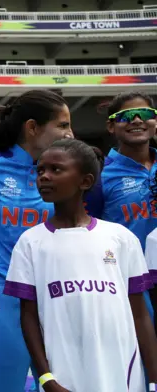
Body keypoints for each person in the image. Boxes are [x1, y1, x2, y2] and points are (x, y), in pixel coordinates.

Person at [5, 139, 157, 392]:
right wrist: (46, 378)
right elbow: (28, 317)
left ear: (85, 181)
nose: (44, 177)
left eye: (56, 170)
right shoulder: (30, 242)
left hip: (121, 374)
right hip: (63, 376)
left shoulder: (120, 238)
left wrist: (153, 379)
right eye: (40, 170)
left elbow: (140, 314)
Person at [0, 90, 73, 392]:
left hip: (51, 292)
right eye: (62, 125)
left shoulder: (63, 174)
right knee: (4, 383)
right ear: (32, 128)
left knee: (59, 381)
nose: (70, 133)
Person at [85, 92, 157, 327]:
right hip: (129, 281)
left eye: (145, 114)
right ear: (111, 126)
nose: (137, 120)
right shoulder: (99, 176)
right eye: (126, 116)